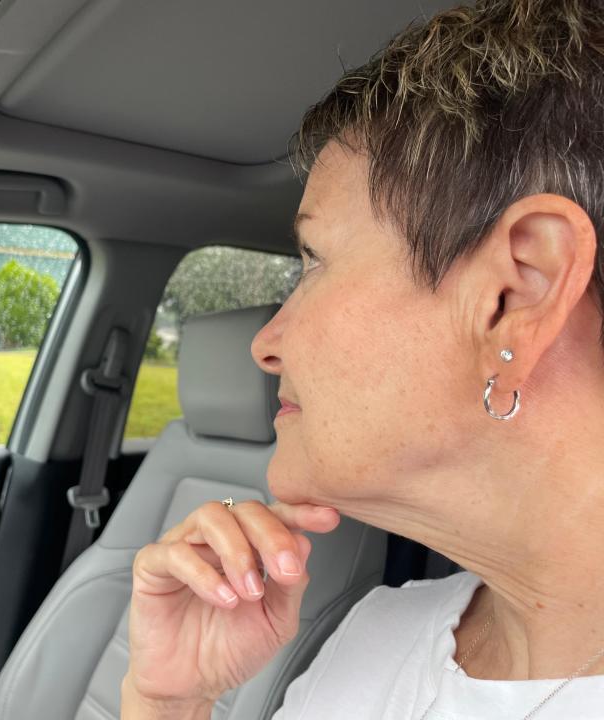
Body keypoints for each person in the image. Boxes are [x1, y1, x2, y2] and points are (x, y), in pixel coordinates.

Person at [121, 0, 604, 717]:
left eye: (313, 261)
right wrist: (170, 702)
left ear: (514, 294)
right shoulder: (375, 637)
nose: (265, 343)